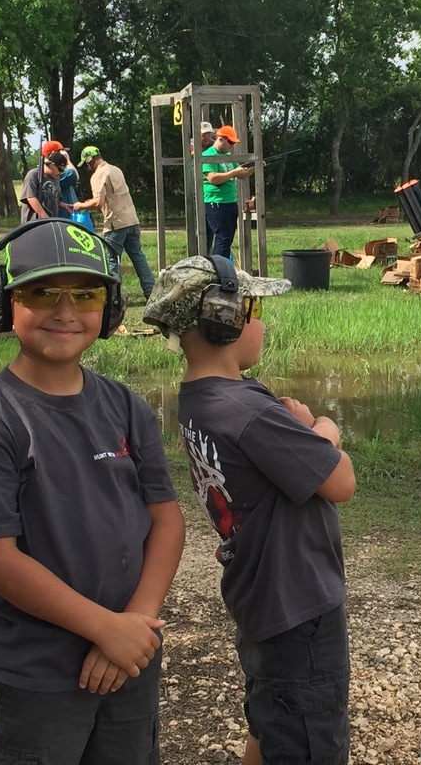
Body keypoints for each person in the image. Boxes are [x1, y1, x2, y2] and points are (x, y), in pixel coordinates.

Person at [0, 218, 185, 765]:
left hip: (131, 659)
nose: (65, 310)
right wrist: (104, 628)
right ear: (3, 303)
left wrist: (134, 626)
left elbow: (167, 522)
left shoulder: (127, 406)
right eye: (41, 291)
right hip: (38, 675)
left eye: (87, 293)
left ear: (111, 307)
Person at [143, 255, 356, 765]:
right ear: (224, 318)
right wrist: (321, 429)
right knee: (308, 734)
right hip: (298, 603)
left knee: (272, 717)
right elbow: (340, 481)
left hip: (261, 599)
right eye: (254, 306)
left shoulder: (202, 397)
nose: (261, 318)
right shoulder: (247, 411)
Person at [73, 146, 156, 301]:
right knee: (138, 257)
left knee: (112, 259)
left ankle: (114, 297)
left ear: (90, 159)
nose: (86, 168)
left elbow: (99, 202)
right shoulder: (115, 169)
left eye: (86, 164)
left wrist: (80, 205)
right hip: (132, 219)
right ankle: (151, 293)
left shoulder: (98, 175)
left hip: (115, 223)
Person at [202, 125, 252, 259]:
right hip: (216, 203)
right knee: (223, 238)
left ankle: (221, 267)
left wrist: (255, 167)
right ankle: (219, 268)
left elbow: (242, 174)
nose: (232, 145)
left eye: (233, 143)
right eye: (230, 142)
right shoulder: (208, 155)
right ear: (220, 139)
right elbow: (213, 178)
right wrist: (234, 172)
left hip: (230, 202)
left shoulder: (228, 156)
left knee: (227, 238)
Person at [19, 150, 66, 223]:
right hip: (34, 223)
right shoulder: (34, 174)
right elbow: (31, 198)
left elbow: (55, 200)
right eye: (60, 169)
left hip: (50, 223)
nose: (60, 173)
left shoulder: (56, 178)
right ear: (52, 165)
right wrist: (45, 217)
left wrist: (66, 206)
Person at [42, 139, 79, 219]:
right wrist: (67, 160)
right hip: (64, 216)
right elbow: (75, 176)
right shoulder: (54, 171)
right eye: (60, 152)